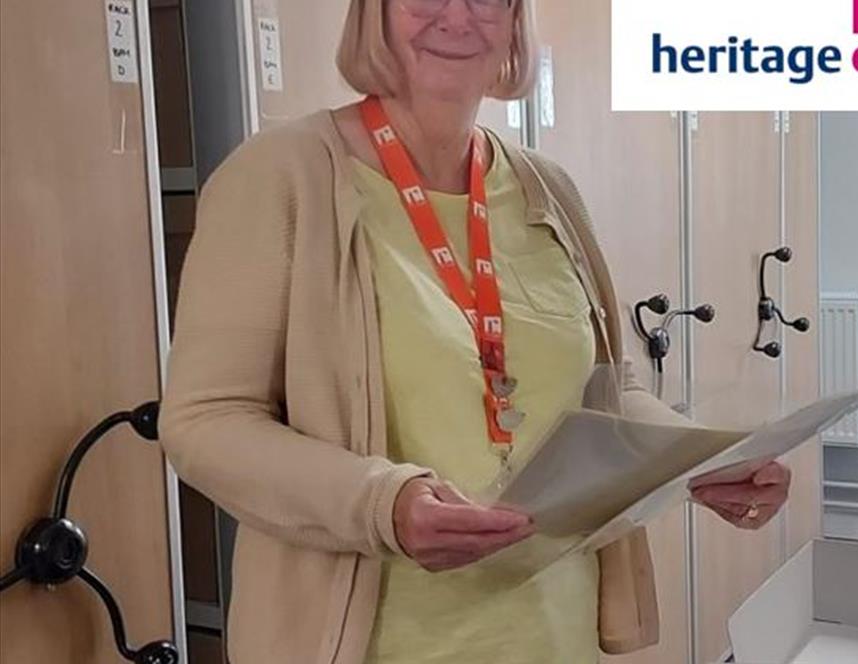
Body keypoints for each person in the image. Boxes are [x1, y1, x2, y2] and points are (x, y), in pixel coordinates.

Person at [160, 0, 792, 662]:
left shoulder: (548, 189)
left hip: (553, 635)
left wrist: (704, 458)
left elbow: (607, 391)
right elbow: (205, 419)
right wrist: (384, 502)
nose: (457, 18)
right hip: (372, 644)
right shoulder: (280, 177)